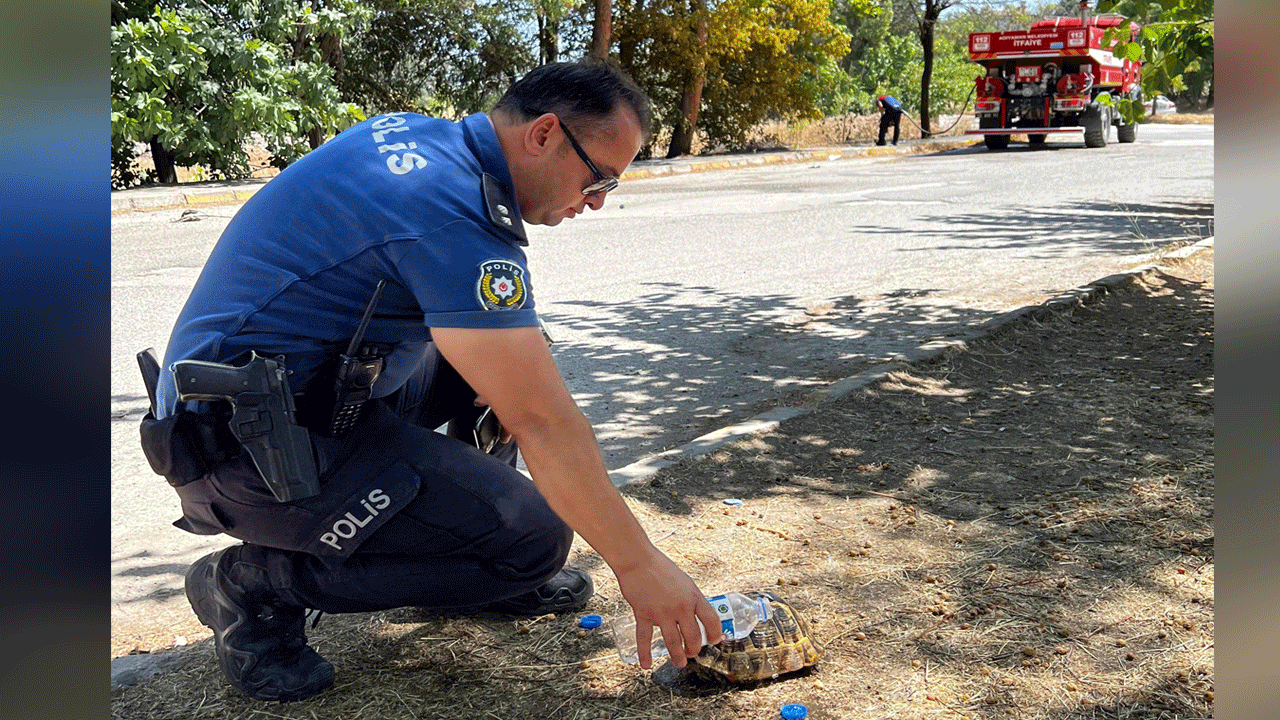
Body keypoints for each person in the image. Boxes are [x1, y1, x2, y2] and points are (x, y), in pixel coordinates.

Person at [139, 59, 723, 703]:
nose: (597, 201)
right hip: (245, 449)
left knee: (512, 357)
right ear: (546, 134)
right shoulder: (447, 214)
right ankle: (253, 584)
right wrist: (639, 565)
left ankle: (475, 559)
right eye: (600, 177)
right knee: (536, 539)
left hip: (307, 392)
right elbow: (545, 423)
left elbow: (519, 384)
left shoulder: (426, 142)